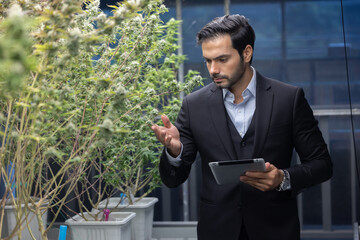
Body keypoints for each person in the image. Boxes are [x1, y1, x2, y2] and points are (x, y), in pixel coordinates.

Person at [151, 14, 332, 240]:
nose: (213, 69)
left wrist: (283, 178)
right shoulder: (193, 105)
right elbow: (173, 179)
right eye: (208, 60)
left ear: (246, 53)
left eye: (222, 59)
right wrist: (174, 152)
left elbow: (322, 164)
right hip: (217, 230)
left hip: (275, 230)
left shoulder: (289, 98)